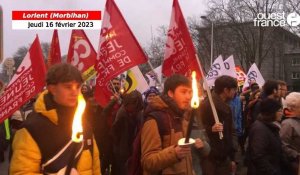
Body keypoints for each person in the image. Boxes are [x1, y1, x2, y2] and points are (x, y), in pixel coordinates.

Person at [10, 63, 100, 174]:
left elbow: (95, 167)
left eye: (78, 86)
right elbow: (21, 172)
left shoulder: (83, 124)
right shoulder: (31, 129)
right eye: (68, 87)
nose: (75, 92)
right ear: (52, 88)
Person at [141, 74, 207, 175]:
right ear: (171, 93)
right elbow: (148, 162)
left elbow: (186, 158)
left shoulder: (182, 118)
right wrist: (174, 153)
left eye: (190, 92)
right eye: (183, 92)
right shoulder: (154, 120)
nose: (189, 96)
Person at [199, 75, 238, 175]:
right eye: (233, 89)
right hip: (211, 159)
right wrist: (210, 129)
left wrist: (232, 158)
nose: (235, 92)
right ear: (226, 90)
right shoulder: (206, 106)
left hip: (225, 158)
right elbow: (198, 129)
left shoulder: (227, 107)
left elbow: (231, 132)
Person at [247, 98, 287, 175]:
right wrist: (272, 172)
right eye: (279, 111)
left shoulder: (270, 126)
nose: (282, 113)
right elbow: (258, 156)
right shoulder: (259, 129)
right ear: (271, 112)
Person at [111, 90, 144, 175]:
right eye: (134, 104)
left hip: (130, 148)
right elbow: (115, 132)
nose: (135, 108)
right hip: (123, 150)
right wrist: (118, 146)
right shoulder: (122, 114)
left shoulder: (135, 113)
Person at [280, 92, 300, 175]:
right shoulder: (287, 123)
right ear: (293, 108)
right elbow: (283, 145)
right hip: (294, 164)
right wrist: (297, 155)